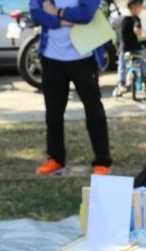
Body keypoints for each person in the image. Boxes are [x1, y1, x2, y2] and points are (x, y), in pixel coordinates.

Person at [30, 0, 113, 176]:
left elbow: (85, 15)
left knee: (93, 109)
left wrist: (56, 11)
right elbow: (36, 15)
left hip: (84, 56)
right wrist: (62, 21)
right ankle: (56, 159)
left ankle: (102, 161)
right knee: (53, 111)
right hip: (51, 57)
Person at [113, 0, 146, 96]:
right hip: (136, 48)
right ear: (135, 8)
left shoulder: (120, 19)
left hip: (124, 48)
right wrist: (143, 40)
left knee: (122, 65)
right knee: (142, 62)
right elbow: (137, 30)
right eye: (140, 6)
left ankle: (121, 83)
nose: (141, 9)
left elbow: (114, 30)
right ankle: (144, 80)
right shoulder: (136, 19)